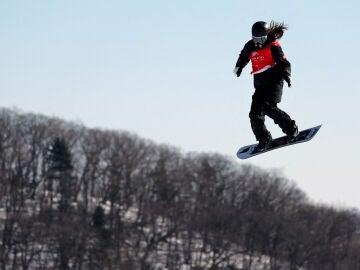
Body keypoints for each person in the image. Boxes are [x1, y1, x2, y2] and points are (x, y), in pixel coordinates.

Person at [234, 21, 298, 152]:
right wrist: (239, 66)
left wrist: (288, 76)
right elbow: (244, 56)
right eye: (255, 39)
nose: (258, 42)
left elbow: (283, 63)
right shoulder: (250, 46)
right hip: (260, 84)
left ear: (267, 36)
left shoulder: (273, 46)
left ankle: (291, 129)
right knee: (255, 114)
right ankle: (264, 139)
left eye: (261, 39)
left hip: (274, 81)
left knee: (268, 107)